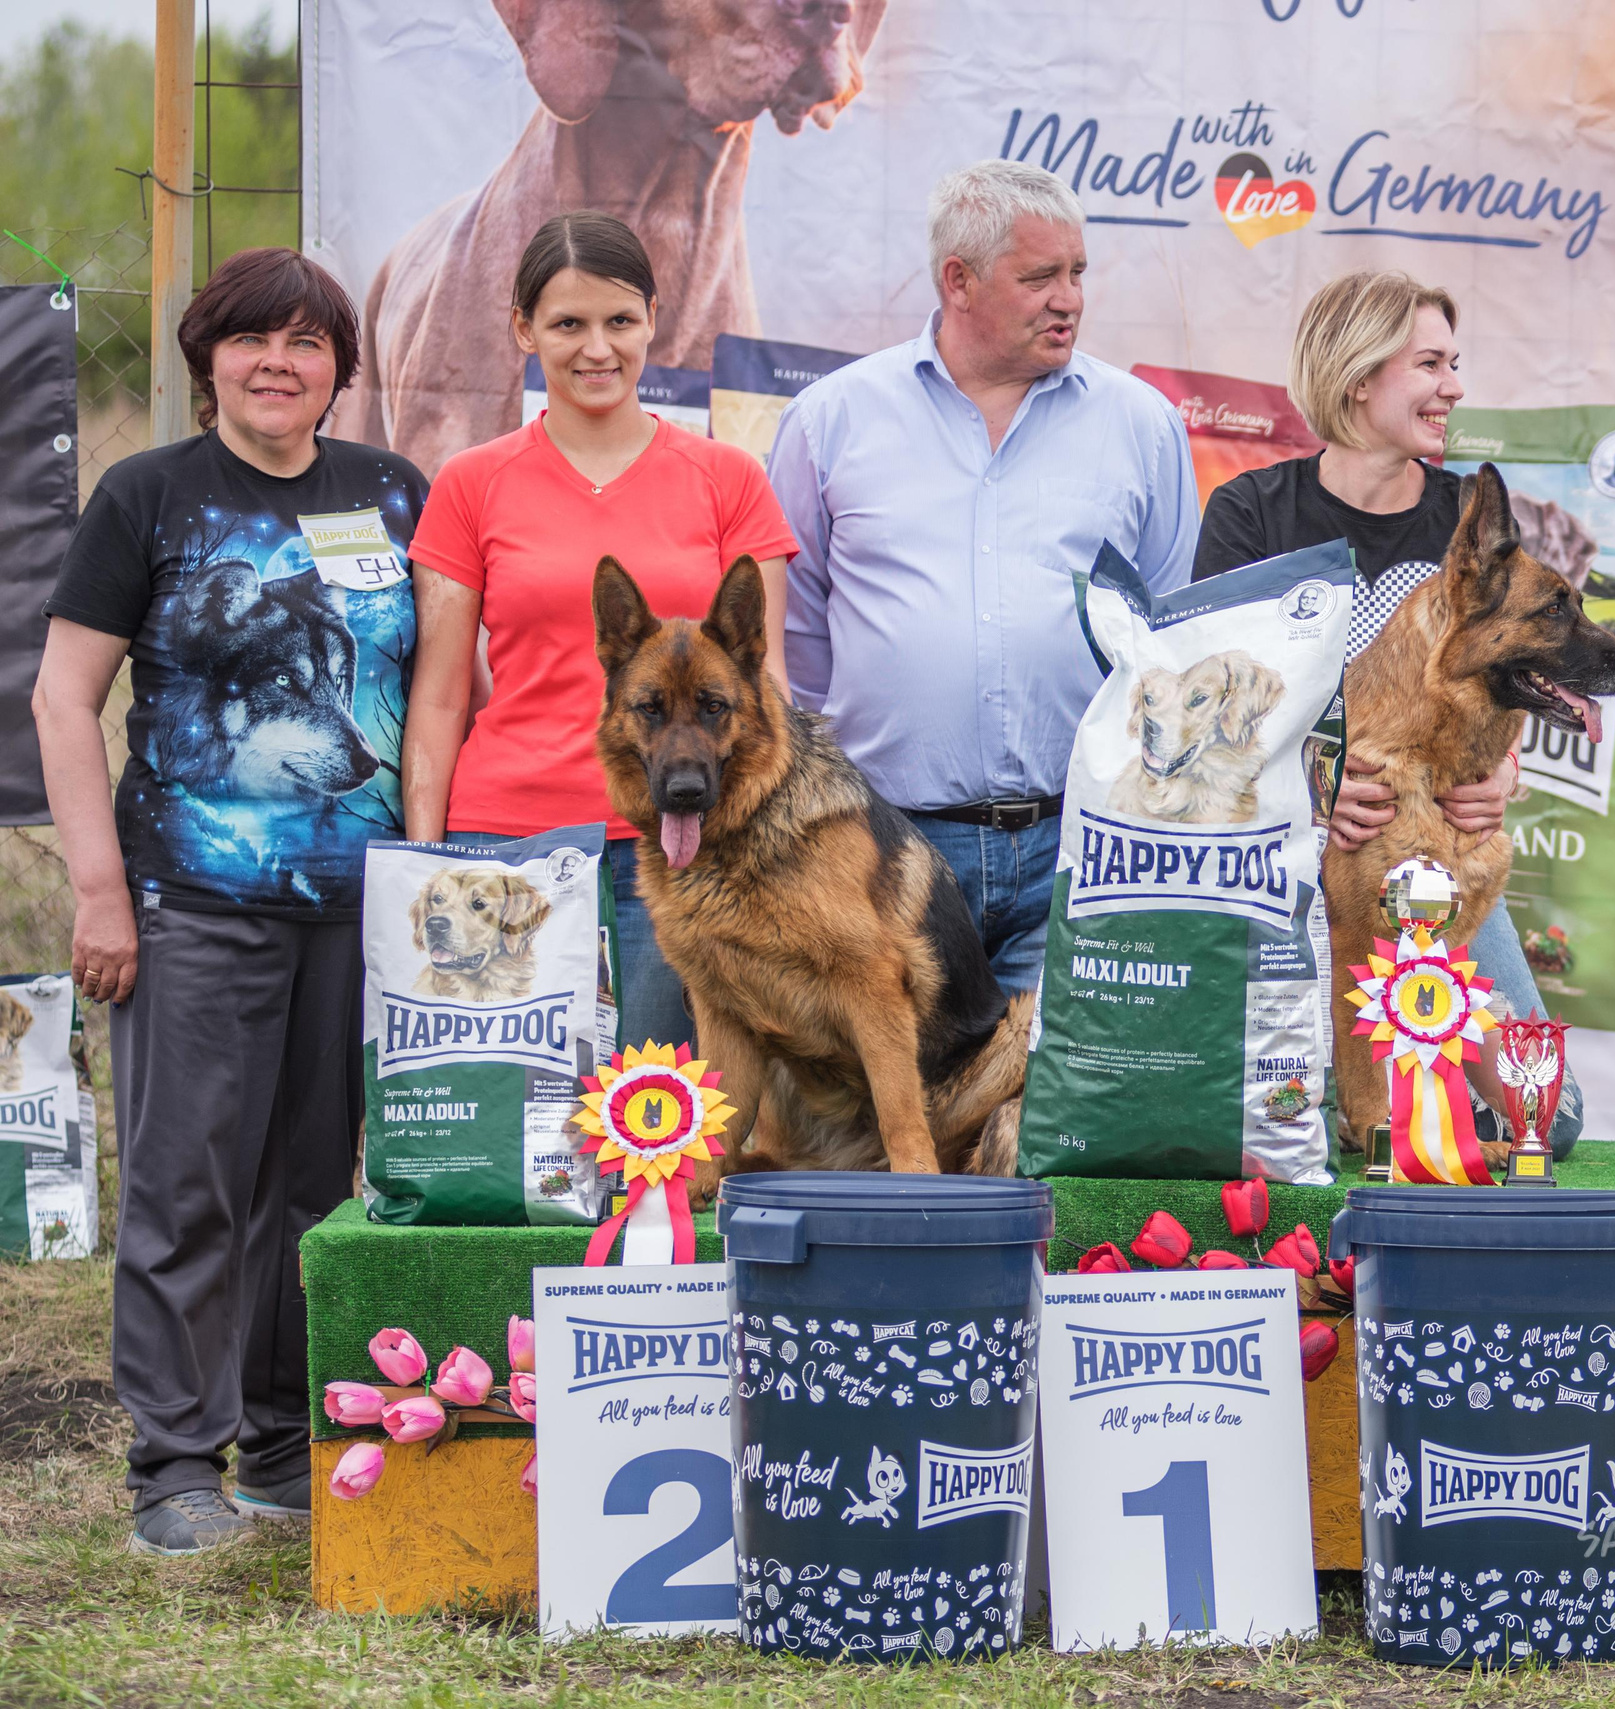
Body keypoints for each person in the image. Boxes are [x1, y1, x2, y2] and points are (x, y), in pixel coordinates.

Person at [32, 248, 428, 1552]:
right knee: (189, 1188)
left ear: (338, 369)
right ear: (209, 358)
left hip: (354, 910)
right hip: (191, 902)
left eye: (308, 344)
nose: (280, 363)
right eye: (253, 340)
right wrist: (100, 889)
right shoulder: (149, 497)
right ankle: (172, 1469)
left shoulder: (389, 495)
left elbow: (430, 690)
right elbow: (62, 697)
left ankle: (277, 1445)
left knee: (312, 1189)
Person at [769, 160, 1198, 990]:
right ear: (957, 281)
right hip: (884, 844)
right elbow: (796, 636)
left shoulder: (1142, 424)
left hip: (1081, 844)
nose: (1068, 298)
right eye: (1039, 276)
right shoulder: (831, 419)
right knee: (888, 1107)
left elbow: (1169, 634)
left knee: (1046, 1107)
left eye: (1076, 273)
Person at [1191, 269, 1581, 1154]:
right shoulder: (1251, 515)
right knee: (1268, 1115)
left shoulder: (1465, 518)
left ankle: (1427, 1149)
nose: (1455, 387)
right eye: (1432, 364)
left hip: (1433, 862)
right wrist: (1314, 794)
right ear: (1360, 374)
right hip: (1281, 866)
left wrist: (1503, 773)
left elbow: (1518, 667)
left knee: (1549, 1121)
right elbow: (1210, 716)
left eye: (1456, 363)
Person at [402, 212, 800, 1053]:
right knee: (512, 1139)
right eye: (567, 324)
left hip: (683, 853)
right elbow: (439, 697)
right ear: (523, 330)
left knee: (650, 1132)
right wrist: (428, 858)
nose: (597, 348)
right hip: (506, 852)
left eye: (620, 321)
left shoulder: (730, 479)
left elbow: (770, 690)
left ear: (654, 318)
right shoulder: (471, 484)